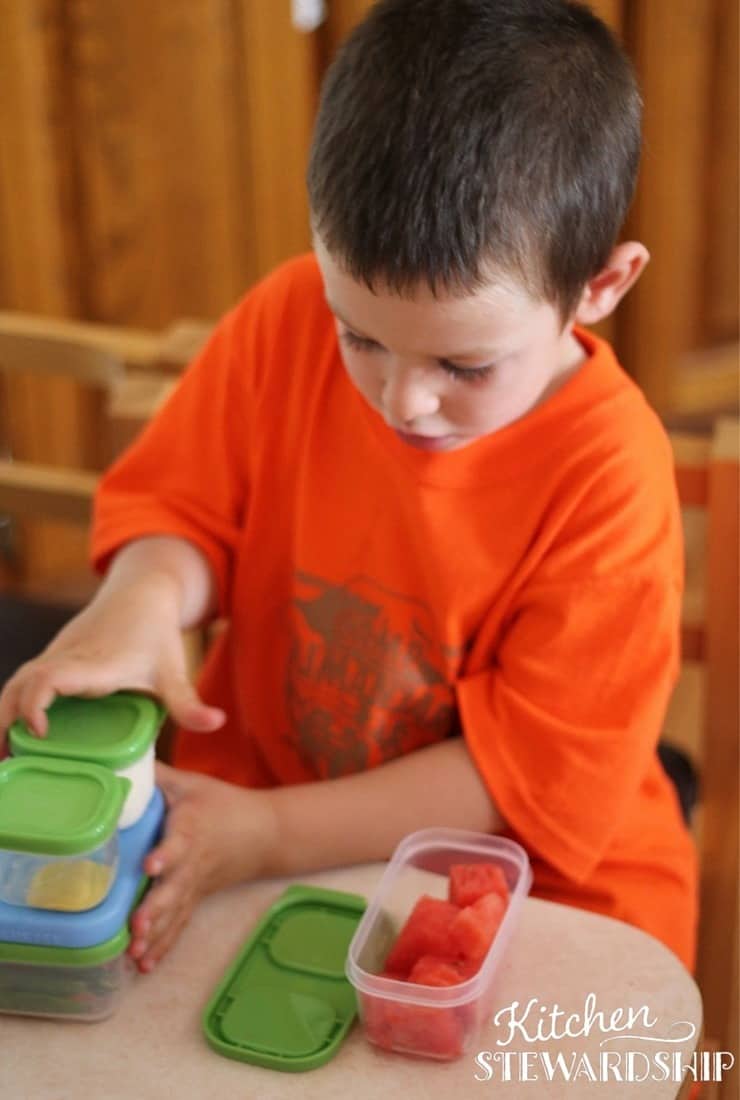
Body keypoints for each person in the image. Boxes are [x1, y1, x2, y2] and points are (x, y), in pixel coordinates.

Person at [0, 0, 696, 976]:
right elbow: (183, 513)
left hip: (525, 870)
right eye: (358, 334)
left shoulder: (609, 475)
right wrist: (142, 600)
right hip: (248, 811)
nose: (400, 398)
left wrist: (269, 834)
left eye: (461, 364)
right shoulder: (283, 316)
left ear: (599, 286)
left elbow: (518, 781)